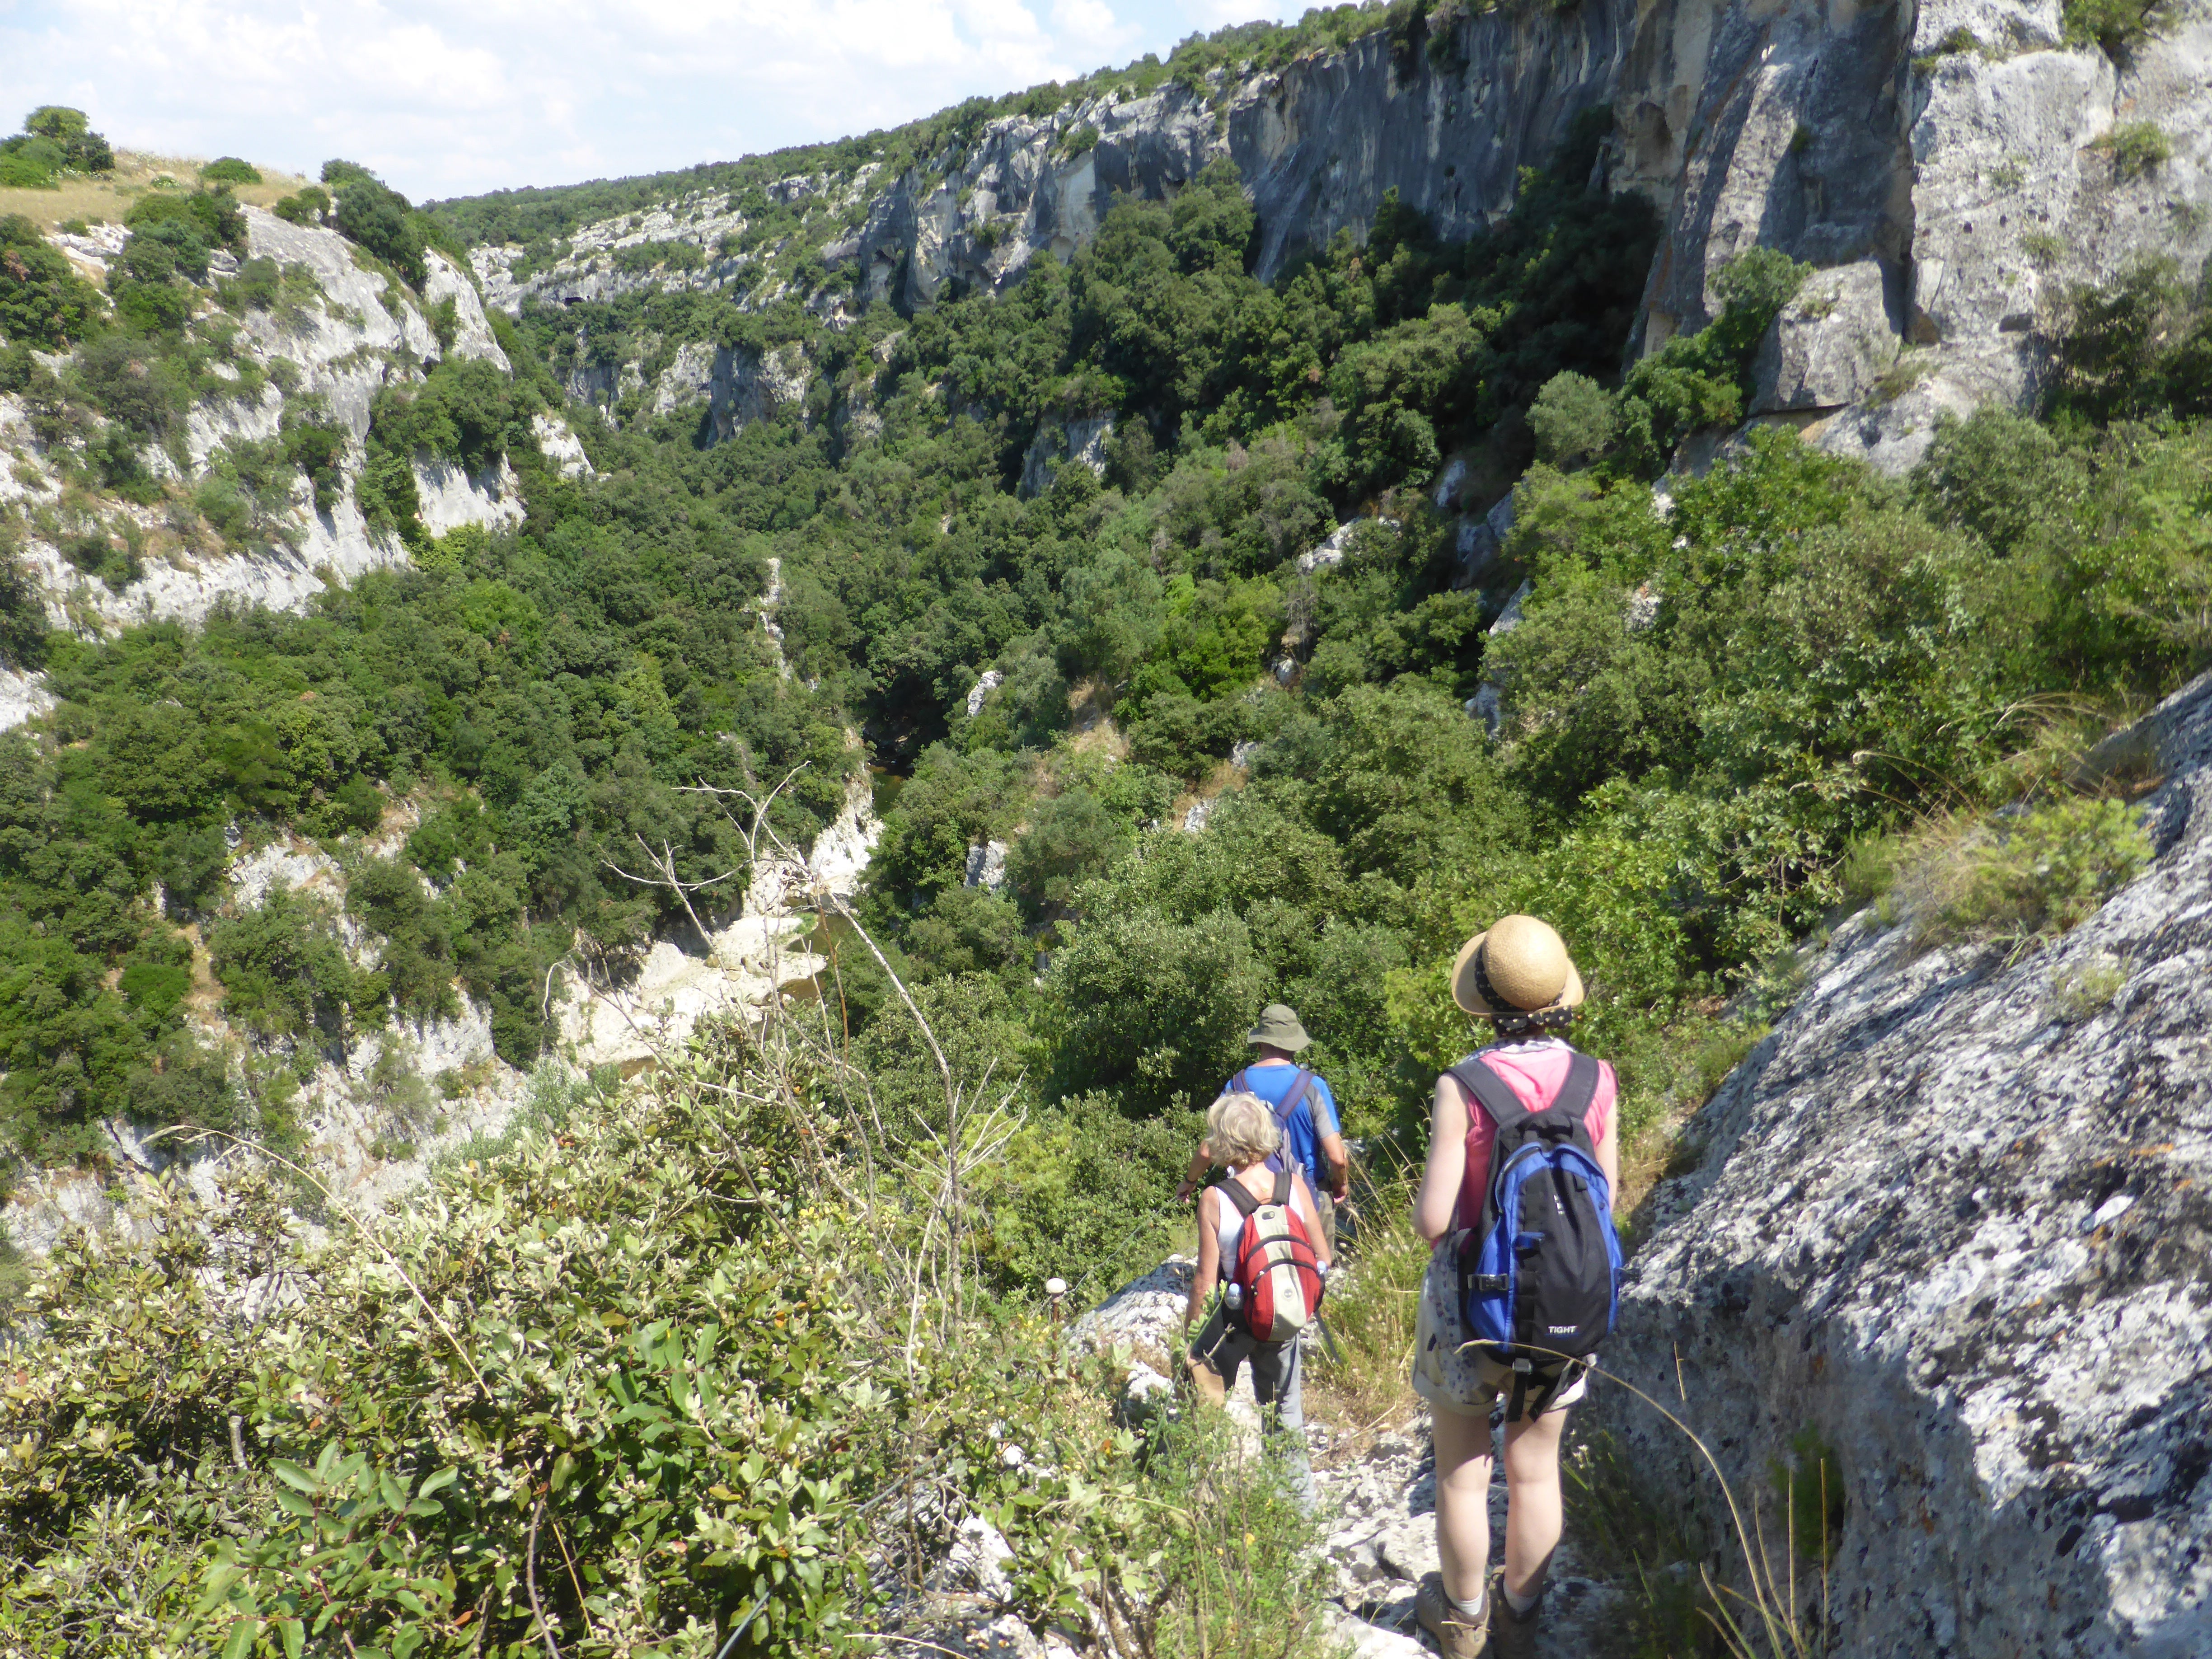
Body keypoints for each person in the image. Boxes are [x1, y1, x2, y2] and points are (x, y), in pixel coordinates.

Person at [1410, 916, 1619, 1659]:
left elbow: (1436, 1218)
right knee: (1536, 1472)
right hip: (1563, 1300)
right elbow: (1607, 1198)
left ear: (1487, 1003)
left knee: (1463, 1477)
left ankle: (1463, 1623)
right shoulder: (1597, 1080)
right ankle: (1520, 1617)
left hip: (1470, 1308)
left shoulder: (1463, 1085)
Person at [1182, 1089, 1333, 1511]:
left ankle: (1206, 1505)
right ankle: (1297, 1517)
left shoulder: (1216, 1198)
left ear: (1223, 1142)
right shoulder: (1295, 1186)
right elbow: (1324, 1258)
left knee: (1206, 1409)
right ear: (1267, 1137)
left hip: (1234, 1320)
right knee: (1284, 1414)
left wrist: (1191, 1337)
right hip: (1282, 1314)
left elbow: (1205, 1280)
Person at [1176, 1003, 1353, 1253]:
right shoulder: (1314, 1087)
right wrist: (1340, 1184)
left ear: (1259, 1043)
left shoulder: (1237, 1085)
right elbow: (1337, 1157)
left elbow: (1207, 1151)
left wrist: (1189, 1181)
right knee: (1315, 1275)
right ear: (1293, 1044)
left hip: (1248, 1200)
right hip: (1308, 1197)